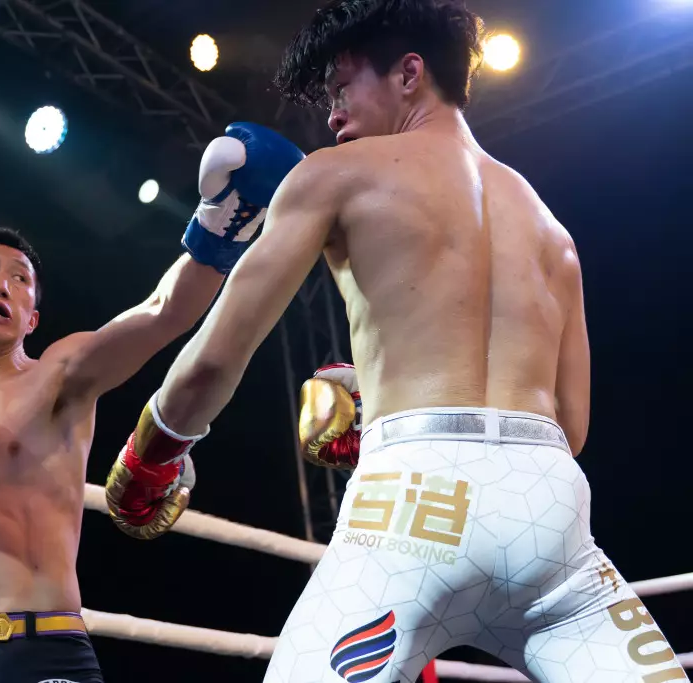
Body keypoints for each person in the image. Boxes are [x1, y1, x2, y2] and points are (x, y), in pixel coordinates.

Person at [103, 1, 689, 682]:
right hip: (551, 515)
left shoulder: (335, 174)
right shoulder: (553, 231)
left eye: (341, 88)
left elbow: (214, 359)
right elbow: (572, 425)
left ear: (410, 73)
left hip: (412, 503)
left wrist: (150, 456)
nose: (332, 115)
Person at [0, 121, 305, 683]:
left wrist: (223, 219)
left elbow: (163, 311)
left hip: (43, 647)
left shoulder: (59, 375)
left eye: (21, 279)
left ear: (32, 318)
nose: (2, 284)